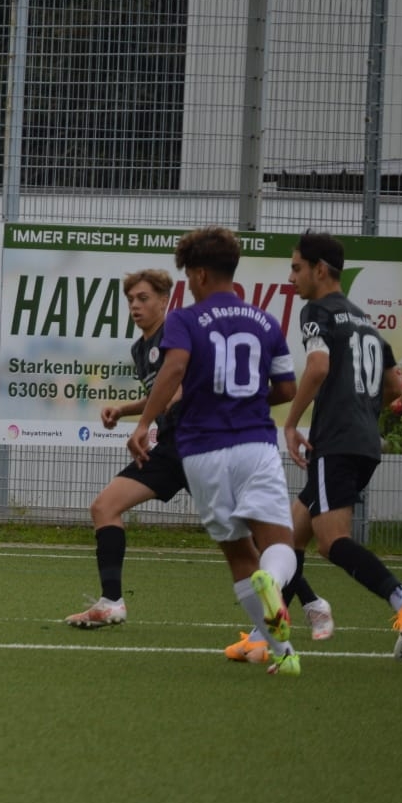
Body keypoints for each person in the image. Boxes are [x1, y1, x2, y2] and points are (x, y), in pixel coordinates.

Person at [126, 226, 302, 676]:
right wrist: (250, 401)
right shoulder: (266, 322)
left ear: (201, 274)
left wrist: (144, 424)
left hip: (201, 451)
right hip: (254, 444)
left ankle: (282, 652)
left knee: (238, 554)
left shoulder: (185, 320)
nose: (188, 284)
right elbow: (287, 388)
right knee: (278, 543)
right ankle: (273, 585)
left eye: (188, 275)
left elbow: (175, 367)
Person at [279, 230, 402, 659]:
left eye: (296, 268)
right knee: (289, 537)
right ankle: (270, 630)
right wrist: (362, 413)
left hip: (336, 443)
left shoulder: (316, 311)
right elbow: (395, 385)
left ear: (319, 270)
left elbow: (317, 367)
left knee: (331, 541)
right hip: (364, 442)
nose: (291, 277)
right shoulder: (364, 320)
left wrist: (291, 424)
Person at [65, 269, 186, 628]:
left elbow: (177, 390)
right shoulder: (140, 348)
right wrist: (123, 410)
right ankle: (111, 602)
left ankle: (305, 600)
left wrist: (144, 422)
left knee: (242, 534)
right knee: (104, 507)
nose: (135, 305)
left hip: (198, 447)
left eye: (143, 298)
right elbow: (159, 395)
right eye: (131, 299)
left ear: (164, 300)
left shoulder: (174, 332)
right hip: (168, 450)